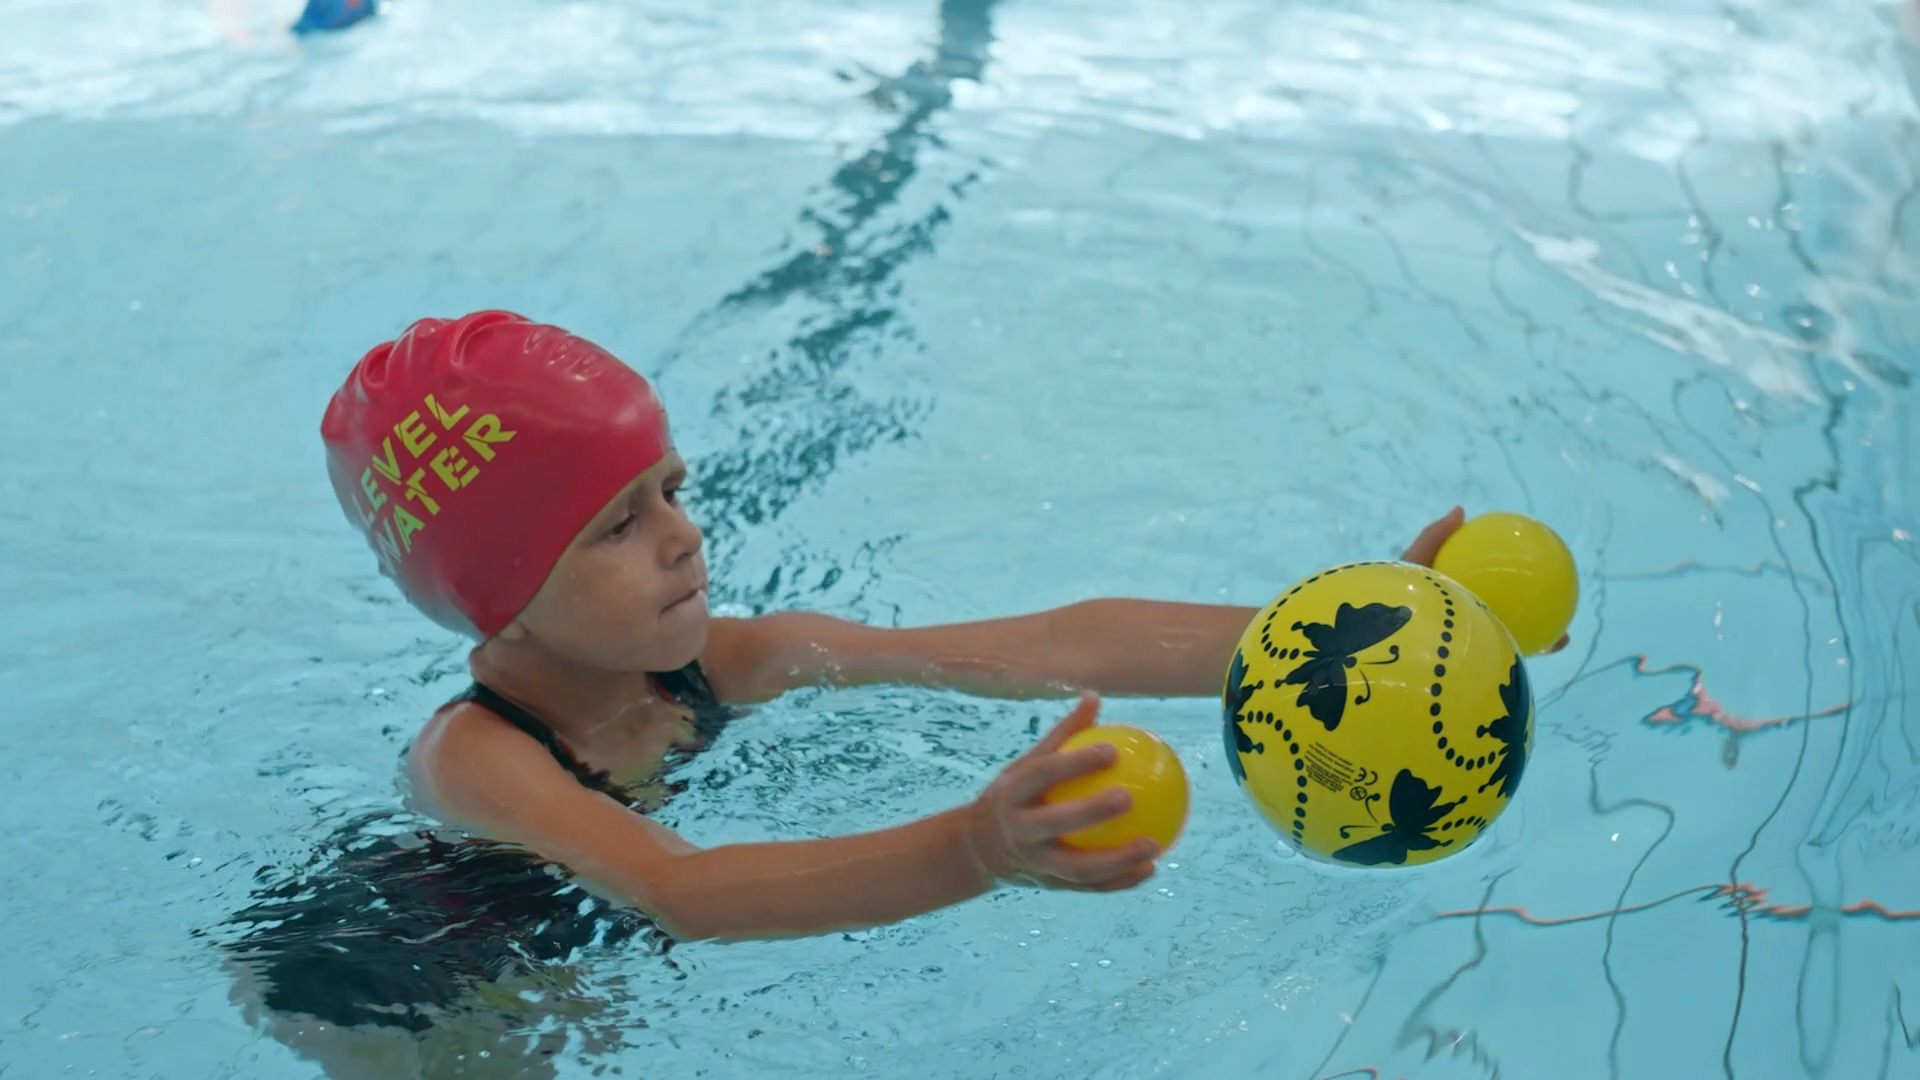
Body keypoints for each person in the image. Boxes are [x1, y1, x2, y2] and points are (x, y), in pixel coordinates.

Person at [310, 309, 1542, 944]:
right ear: (500, 598)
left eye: (672, 491)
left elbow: (1045, 647)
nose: (684, 535)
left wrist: (1323, 628)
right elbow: (679, 890)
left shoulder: (720, 659)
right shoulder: (473, 758)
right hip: (417, 974)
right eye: (617, 527)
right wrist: (975, 848)